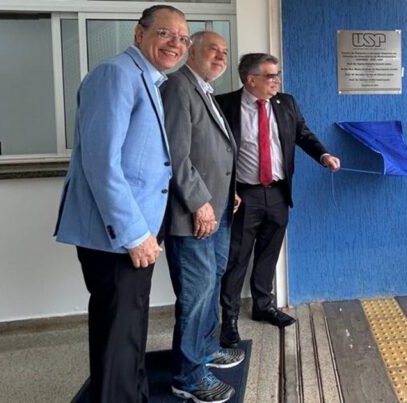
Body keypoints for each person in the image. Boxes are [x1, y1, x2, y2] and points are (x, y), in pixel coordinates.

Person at [53, 6, 188, 401]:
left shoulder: (148, 79)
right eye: (166, 33)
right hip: (118, 236)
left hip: (137, 231)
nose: (175, 44)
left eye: (182, 37)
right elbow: (101, 162)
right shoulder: (116, 74)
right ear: (138, 33)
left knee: (130, 329)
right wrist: (134, 233)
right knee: (117, 333)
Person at [215, 53, 341, 345]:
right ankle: (229, 318)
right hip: (242, 195)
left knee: (269, 252)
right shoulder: (224, 105)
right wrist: (224, 188)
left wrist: (323, 154)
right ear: (251, 79)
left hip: (278, 192)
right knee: (237, 257)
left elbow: (303, 134)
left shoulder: (286, 103)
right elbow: (212, 151)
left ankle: (263, 306)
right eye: (271, 76)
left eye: (277, 75)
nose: (277, 81)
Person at [161, 31, 246, 402]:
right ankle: (189, 375)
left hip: (219, 208)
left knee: (211, 282)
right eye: (213, 49)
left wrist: (230, 192)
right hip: (193, 214)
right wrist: (199, 203)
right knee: (196, 294)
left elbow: (216, 153)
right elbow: (176, 156)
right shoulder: (178, 88)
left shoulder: (205, 91)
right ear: (191, 50)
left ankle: (207, 348)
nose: (221, 56)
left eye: (225, 52)